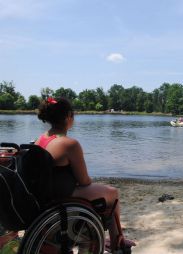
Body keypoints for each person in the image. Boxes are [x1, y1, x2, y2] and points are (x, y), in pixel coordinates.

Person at [35, 97, 135, 252]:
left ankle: (112, 239)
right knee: (113, 193)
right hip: (64, 195)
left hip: (46, 196)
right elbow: (84, 181)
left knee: (103, 194)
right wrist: (91, 182)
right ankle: (117, 241)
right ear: (68, 116)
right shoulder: (69, 144)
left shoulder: (40, 139)